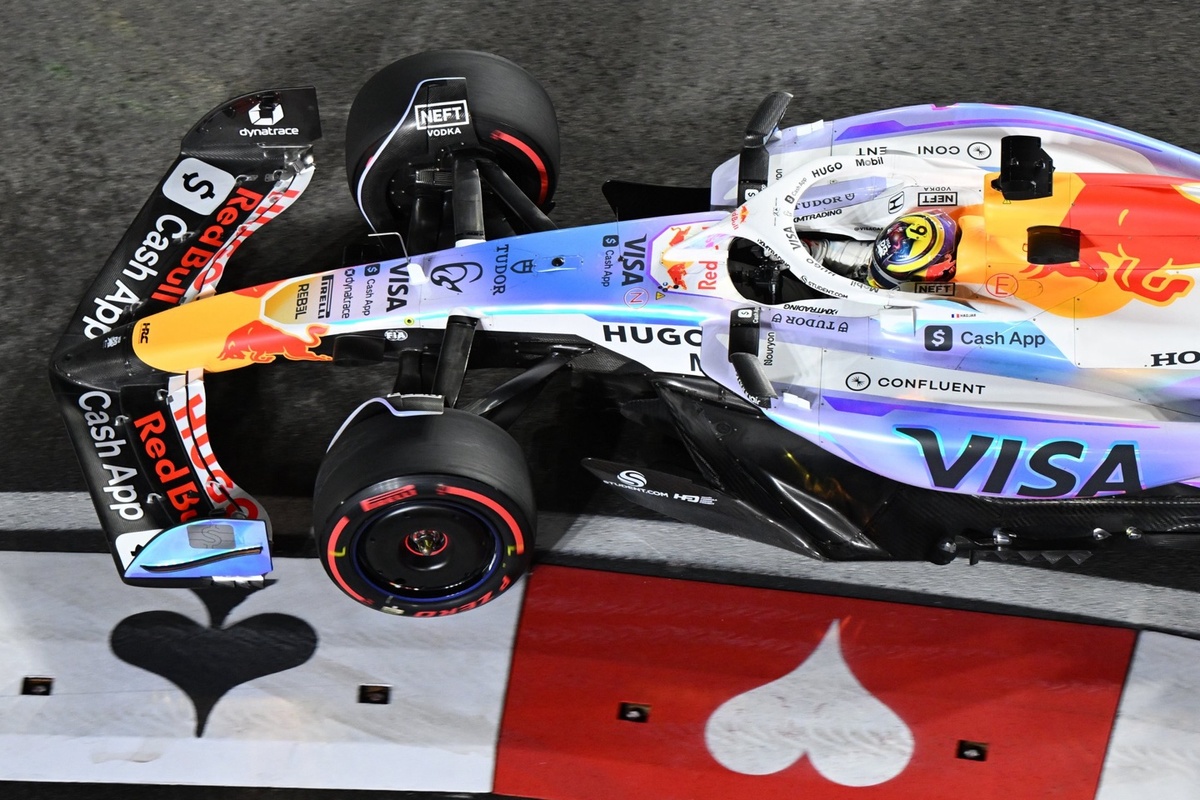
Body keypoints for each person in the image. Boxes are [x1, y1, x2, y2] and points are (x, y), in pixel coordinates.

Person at [803, 209, 959, 289]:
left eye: (897, 273)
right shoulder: (888, 253)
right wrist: (804, 250)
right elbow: (825, 250)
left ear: (946, 261)